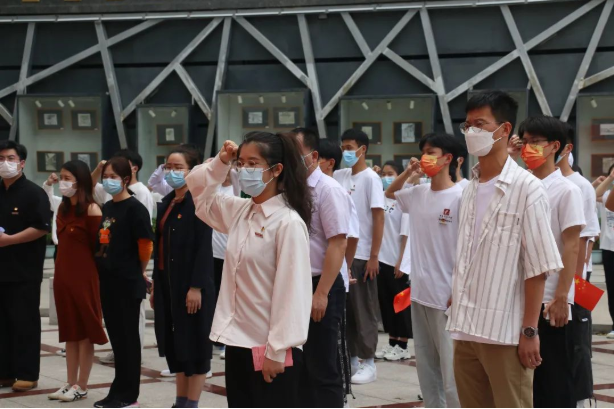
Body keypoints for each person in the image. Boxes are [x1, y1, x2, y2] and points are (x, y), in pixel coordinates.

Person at [447, 91, 563, 408]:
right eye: (468, 125)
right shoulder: (468, 190)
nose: (472, 132)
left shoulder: (528, 189)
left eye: (480, 124)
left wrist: (529, 331)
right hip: (465, 331)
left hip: (505, 333)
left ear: (504, 129)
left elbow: (537, 268)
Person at [186, 133, 312, 408]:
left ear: (276, 170)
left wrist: (277, 351)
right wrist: (221, 162)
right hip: (237, 340)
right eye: (240, 163)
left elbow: (293, 294)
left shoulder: (288, 223)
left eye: (253, 163)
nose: (244, 170)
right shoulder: (242, 211)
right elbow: (198, 192)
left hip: (269, 348)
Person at [386, 133, 462, 408]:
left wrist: (459, 288)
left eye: (432, 152)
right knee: (426, 367)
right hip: (419, 293)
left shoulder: (461, 195)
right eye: (423, 152)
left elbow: (469, 249)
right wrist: (409, 172)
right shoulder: (418, 193)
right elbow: (390, 193)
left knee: (451, 372)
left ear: (448, 158)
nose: (425, 157)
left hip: (447, 298)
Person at [517, 116, 585, 407]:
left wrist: (562, 297)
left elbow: (572, 246)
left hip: (550, 301)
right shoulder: (521, 186)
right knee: (525, 385)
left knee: (553, 382)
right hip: (520, 298)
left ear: (555, 146)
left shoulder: (567, 190)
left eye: (535, 142)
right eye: (524, 142)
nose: (528, 148)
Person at [152, 148, 215, 409]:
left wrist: (196, 287)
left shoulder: (199, 202)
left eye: (178, 167)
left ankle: (191, 402)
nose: (172, 172)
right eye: (168, 166)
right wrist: (156, 285)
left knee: (196, 345)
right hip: (168, 284)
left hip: (190, 285)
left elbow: (204, 248)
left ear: (193, 170)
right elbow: (159, 247)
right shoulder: (167, 202)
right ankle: (180, 401)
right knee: (176, 344)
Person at [292, 128, 350, 407]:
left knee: (323, 363)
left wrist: (322, 293)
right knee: (299, 363)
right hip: (295, 283)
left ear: (314, 156)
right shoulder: (289, 188)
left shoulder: (329, 189)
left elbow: (338, 243)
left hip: (320, 283)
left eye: (296, 154)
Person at [93, 157, 154, 408]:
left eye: (113, 176)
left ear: (126, 179)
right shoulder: (109, 206)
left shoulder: (135, 208)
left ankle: (129, 396)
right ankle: (117, 391)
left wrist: (139, 271)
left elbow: (145, 245)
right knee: (117, 340)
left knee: (128, 341)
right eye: (105, 176)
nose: (108, 180)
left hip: (127, 282)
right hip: (108, 281)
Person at [46, 160, 109, 402]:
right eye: (61, 177)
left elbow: (99, 248)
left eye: (67, 178)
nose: (62, 182)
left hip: (84, 277)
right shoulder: (63, 209)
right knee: (69, 332)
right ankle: (69, 381)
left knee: (84, 332)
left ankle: (82, 385)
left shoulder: (92, 210)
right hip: (63, 276)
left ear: (80, 181)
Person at [553, 123, 601, 405]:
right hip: (548, 281)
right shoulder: (534, 182)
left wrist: (574, 289)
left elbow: (584, 241)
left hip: (576, 281)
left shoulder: (580, 186)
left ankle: (581, 398)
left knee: (578, 342)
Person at [334, 129, 385, 385]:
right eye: (343, 147)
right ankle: (352, 358)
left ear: (362, 149)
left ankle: (369, 362)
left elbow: (378, 217)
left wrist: (374, 255)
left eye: (350, 147)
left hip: (363, 254)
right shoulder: (339, 175)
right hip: (340, 252)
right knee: (347, 310)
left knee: (364, 309)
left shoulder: (371, 178)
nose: (346, 151)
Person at [0, 141, 51, 392]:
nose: (5, 163)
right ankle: (5, 372)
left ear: (21, 163)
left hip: (24, 270)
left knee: (24, 322)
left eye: (10, 158)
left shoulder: (34, 193)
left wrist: (9, 240)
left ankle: (27, 373)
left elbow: (41, 228)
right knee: (2, 324)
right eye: (1, 158)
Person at [317, 139, 358, 406]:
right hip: (311, 278)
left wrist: (345, 267)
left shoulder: (334, 191)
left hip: (331, 279)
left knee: (332, 347)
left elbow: (349, 238)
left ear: (329, 162)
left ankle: (338, 398)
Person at [374, 161, 412, 362]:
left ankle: (403, 345)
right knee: (387, 305)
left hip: (397, 261)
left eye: (391, 173)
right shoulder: (382, 196)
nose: (386, 177)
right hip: (382, 260)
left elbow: (406, 234)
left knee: (401, 305)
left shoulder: (403, 200)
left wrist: (401, 261)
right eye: (384, 173)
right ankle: (392, 342)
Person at [595, 165, 614, 339]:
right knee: (612, 287)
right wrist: (610, 179)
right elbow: (595, 195)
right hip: (609, 248)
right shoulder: (608, 195)